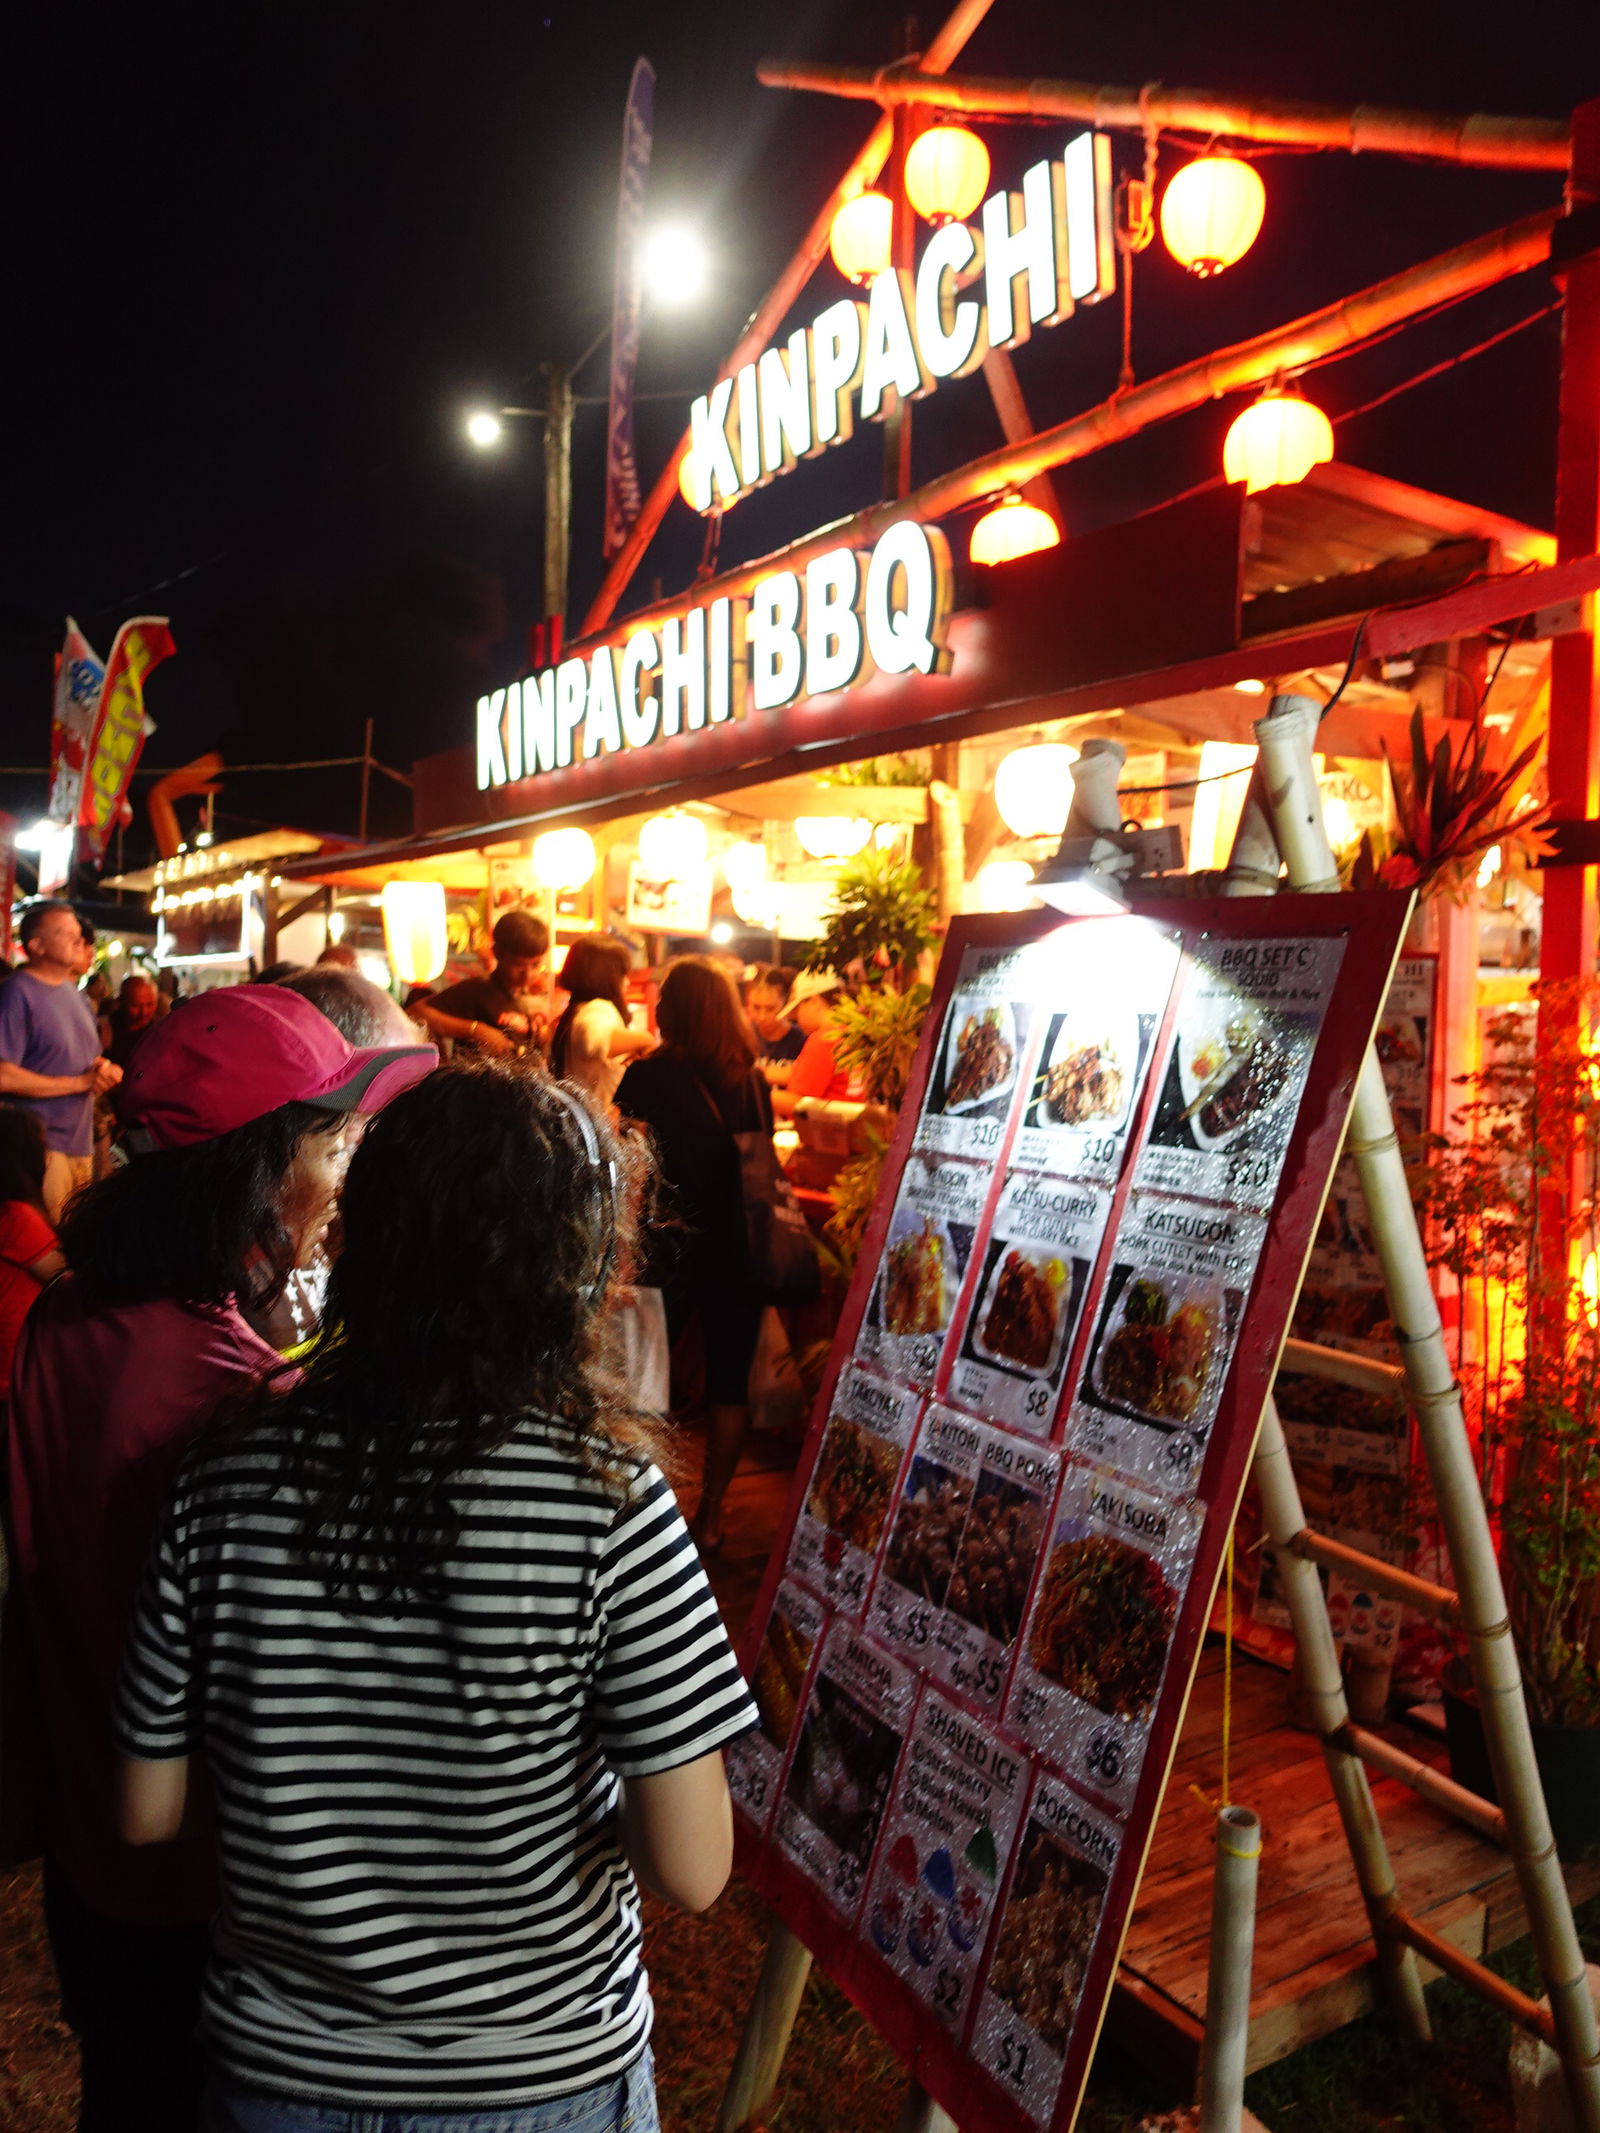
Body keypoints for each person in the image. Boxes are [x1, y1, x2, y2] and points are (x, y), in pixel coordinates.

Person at [115, 1060, 755, 2132]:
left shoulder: (219, 1475)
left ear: (364, 1236)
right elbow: (692, 1868)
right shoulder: (607, 1501)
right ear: (577, 1262)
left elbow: (147, 1810)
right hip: (536, 2079)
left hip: (275, 2076)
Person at [6, 986, 435, 2133]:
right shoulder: (243, 1395)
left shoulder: (65, 1318)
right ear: (261, 1167)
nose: (347, 1158)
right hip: (209, 1883)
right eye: (331, 1132)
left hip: (89, 1839)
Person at [616, 957, 774, 1551]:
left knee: (642, 1384)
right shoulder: (750, 1078)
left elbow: (628, 1167)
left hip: (667, 1244)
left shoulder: (647, 1078)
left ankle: (639, 1518)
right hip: (741, 1249)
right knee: (728, 1385)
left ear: (674, 1010)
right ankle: (711, 1514)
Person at [0, 900, 121, 1221]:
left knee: (72, 1239)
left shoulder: (75, 995)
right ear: (36, 946)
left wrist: (102, 1070)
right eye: (65, 933)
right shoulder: (17, 993)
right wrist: (78, 1083)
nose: (79, 940)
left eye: (78, 933)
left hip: (80, 1140)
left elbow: (84, 1060)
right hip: (39, 1145)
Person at [416, 906, 550, 1057]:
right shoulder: (476, 990)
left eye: (536, 965)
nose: (528, 974)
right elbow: (416, 1013)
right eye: (519, 965)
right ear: (497, 953)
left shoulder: (530, 994)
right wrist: (476, 1030)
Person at [549, 935, 656, 1109]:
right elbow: (594, 1042)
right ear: (606, 976)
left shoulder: (577, 1010)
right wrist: (646, 1039)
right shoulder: (598, 1009)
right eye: (622, 974)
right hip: (591, 1121)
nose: (627, 982)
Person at [0, 1106, 62, 1394]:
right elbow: (64, 1277)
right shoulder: (18, 1217)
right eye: (44, 1147)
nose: (49, 1156)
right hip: (12, 1372)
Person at [770, 967, 864, 1117]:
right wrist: (757, 1075)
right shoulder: (849, 1031)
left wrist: (754, 1096)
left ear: (814, 1002)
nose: (796, 1018)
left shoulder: (824, 1039)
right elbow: (801, 1073)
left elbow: (798, 1104)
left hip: (831, 1135)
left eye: (798, 1008)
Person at [744, 964, 806, 1082]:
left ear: (785, 1003)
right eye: (756, 1007)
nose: (762, 1017)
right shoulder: (742, 1037)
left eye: (770, 1008)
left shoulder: (802, 1040)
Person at [103, 970, 163, 1070]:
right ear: (121, 1001)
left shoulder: (162, 1030)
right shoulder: (105, 1031)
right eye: (135, 1005)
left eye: (150, 1004)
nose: (143, 1012)